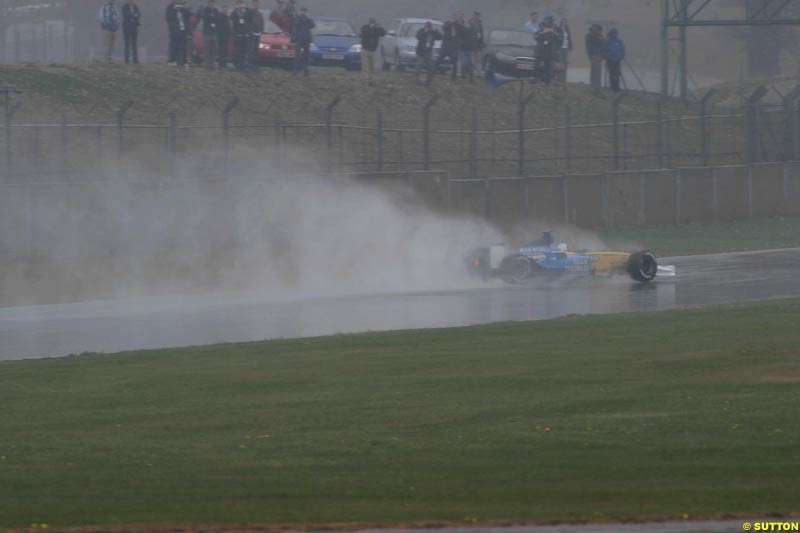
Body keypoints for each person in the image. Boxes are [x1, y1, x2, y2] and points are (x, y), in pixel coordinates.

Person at [359, 18, 386, 86]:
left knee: (375, 67)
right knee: (365, 67)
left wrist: (380, 27)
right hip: (365, 49)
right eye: (371, 22)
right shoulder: (364, 27)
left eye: (373, 22)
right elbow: (363, 35)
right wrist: (371, 29)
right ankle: (365, 81)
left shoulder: (377, 29)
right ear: (369, 22)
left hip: (374, 50)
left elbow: (383, 33)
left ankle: (373, 81)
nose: (372, 24)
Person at [197, 0, 222, 69]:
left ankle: (212, 63)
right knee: (207, 49)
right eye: (211, 3)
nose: (212, 4)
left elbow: (218, 18)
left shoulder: (216, 11)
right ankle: (207, 63)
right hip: (207, 33)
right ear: (208, 3)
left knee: (213, 49)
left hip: (214, 32)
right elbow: (206, 17)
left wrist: (212, 17)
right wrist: (212, 17)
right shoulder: (205, 10)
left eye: (213, 3)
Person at [438, 12, 463, 81]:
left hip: (454, 47)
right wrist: (450, 23)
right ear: (450, 18)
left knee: (454, 62)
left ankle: (453, 78)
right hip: (446, 46)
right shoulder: (447, 23)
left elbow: (461, 32)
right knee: (439, 60)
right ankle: (432, 72)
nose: (454, 19)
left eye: (455, 17)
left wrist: (460, 22)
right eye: (453, 17)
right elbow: (443, 28)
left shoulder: (458, 25)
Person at [415, 21, 441, 86]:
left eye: (430, 26)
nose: (429, 27)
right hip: (421, 51)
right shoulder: (421, 30)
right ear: (425, 26)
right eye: (428, 26)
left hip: (428, 52)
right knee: (419, 66)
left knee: (431, 67)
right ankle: (417, 81)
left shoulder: (433, 32)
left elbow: (440, 37)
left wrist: (437, 31)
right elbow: (418, 37)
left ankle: (428, 81)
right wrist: (425, 31)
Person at [535, 16, 560, 84]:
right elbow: (536, 37)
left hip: (550, 52)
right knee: (538, 66)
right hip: (541, 51)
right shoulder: (541, 29)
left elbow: (559, 39)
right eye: (549, 22)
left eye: (551, 22)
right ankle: (537, 79)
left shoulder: (554, 30)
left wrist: (554, 32)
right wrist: (544, 31)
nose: (550, 24)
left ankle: (547, 81)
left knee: (549, 67)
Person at [291, 6, 314, 76]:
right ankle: (296, 70)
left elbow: (313, 26)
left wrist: (309, 18)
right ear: (300, 11)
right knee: (297, 55)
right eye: (303, 11)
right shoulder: (297, 18)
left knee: (306, 55)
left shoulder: (308, 19)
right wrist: (293, 38)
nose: (304, 12)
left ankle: (306, 70)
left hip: (307, 39)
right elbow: (295, 26)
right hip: (299, 39)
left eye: (305, 11)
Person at [166, 0, 190, 66]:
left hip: (183, 31)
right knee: (173, 47)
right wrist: (174, 10)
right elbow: (168, 18)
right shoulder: (169, 8)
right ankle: (171, 61)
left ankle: (182, 61)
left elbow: (188, 16)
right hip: (174, 31)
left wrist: (186, 8)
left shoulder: (183, 8)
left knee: (182, 47)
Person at [230, 0, 252, 69]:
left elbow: (251, 15)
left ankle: (243, 63)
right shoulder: (235, 12)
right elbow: (231, 17)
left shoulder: (247, 11)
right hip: (238, 34)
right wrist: (236, 9)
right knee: (238, 50)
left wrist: (246, 7)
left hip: (245, 34)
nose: (240, 5)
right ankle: (238, 64)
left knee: (244, 50)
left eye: (241, 3)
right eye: (238, 3)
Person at [585, 24, 606, 91]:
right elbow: (592, 44)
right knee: (595, 70)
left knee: (597, 70)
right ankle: (594, 85)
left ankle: (596, 84)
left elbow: (604, 44)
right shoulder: (590, 36)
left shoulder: (599, 36)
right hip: (594, 54)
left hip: (598, 55)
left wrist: (603, 55)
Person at [606, 28, 625, 92]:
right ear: (611, 34)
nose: (615, 34)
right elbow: (605, 50)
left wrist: (622, 56)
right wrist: (608, 54)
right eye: (613, 33)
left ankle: (617, 87)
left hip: (617, 60)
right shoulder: (608, 41)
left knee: (617, 74)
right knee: (612, 73)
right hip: (610, 60)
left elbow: (622, 49)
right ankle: (612, 87)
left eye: (616, 33)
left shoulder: (619, 41)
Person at [121, 0, 140, 64]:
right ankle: (126, 60)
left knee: (134, 44)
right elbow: (126, 15)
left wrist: (132, 16)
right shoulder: (124, 7)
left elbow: (139, 15)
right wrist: (134, 15)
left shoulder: (135, 6)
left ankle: (135, 60)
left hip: (134, 28)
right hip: (127, 28)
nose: (131, 1)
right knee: (127, 45)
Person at [460, 12, 477, 81]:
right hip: (463, 49)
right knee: (464, 63)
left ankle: (471, 78)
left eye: (468, 23)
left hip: (470, 50)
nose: (467, 25)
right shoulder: (463, 30)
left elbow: (474, 39)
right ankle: (464, 76)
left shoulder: (472, 30)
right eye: (466, 24)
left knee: (470, 64)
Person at [556, 18, 572, 83]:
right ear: (561, 22)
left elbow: (569, 38)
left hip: (566, 48)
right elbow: (557, 38)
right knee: (561, 63)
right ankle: (560, 78)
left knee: (565, 63)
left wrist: (570, 46)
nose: (564, 23)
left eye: (565, 22)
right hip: (560, 48)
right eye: (563, 22)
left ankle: (564, 79)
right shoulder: (559, 29)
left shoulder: (567, 29)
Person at [469, 12, 484, 77]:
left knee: (478, 59)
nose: (477, 17)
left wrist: (481, 42)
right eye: (476, 16)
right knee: (472, 59)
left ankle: (479, 73)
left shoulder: (480, 23)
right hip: (472, 44)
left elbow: (481, 34)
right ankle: (471, 72)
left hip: (478, 44)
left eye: (478, 16)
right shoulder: (470, 22)